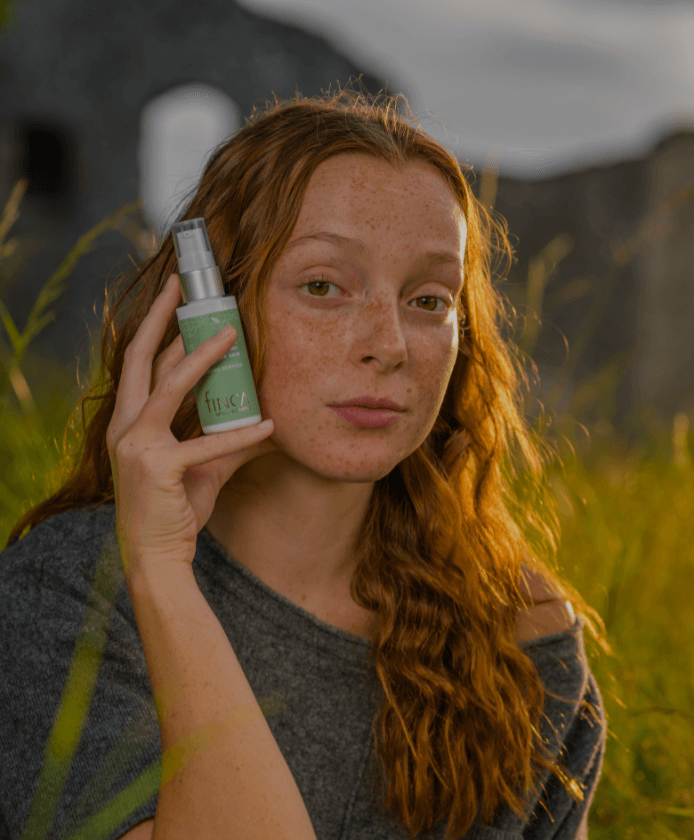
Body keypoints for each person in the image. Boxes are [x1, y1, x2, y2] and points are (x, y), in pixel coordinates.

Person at [0, 84, 610, 840]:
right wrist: (159, 569)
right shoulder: (65, 591)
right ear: (209, 314)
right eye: (323, 286)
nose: (389, 344)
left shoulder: (522, 633)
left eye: (429, 299)